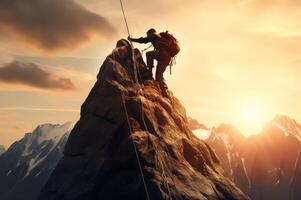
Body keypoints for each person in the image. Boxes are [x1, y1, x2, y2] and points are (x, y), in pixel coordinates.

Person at [128, 28, 172, 97]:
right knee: (159, 75)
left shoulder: (153, 35)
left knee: (149, 54)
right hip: (168, 57)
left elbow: (143, 40)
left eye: (147, 34)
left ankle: (149, 72)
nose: (147, 36)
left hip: (162, 53)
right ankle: (164, 90)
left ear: (150, 32)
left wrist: (132, 39)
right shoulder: (160, 37)